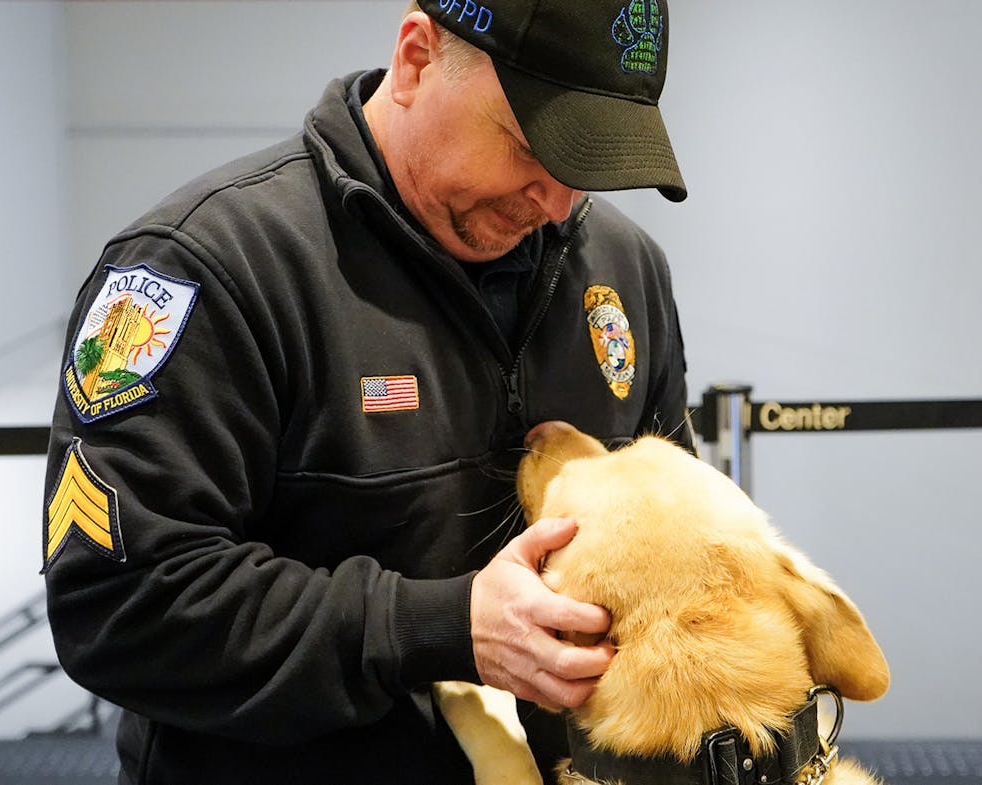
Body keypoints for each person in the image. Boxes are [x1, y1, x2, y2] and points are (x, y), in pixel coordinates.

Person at [42, 0, 693, 783]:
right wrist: (442, 629)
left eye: (588, 161)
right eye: (530, 147)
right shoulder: (205, 268)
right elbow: (119, 608)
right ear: (417, 57)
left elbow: (673, 544)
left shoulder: (625, 270)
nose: (557, 202)